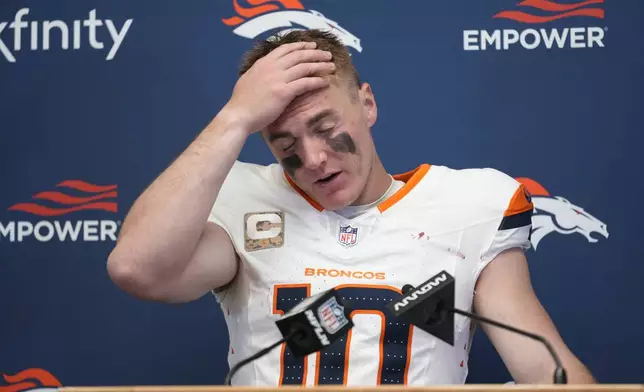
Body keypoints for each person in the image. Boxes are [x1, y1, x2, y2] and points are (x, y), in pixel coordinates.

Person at [107, 29, 595, 385]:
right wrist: (235, 117)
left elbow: (544, 370)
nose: (314, 159)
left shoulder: (468, 206)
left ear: (367, 105)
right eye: (285, 144)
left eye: (324, 126)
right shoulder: (243, 203)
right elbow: (136, 268)